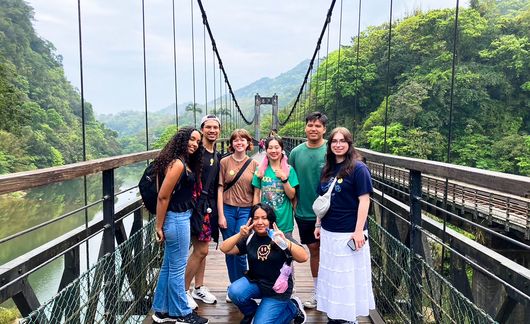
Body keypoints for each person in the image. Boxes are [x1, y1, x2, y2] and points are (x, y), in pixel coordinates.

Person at [314, 127, 375, 323]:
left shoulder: (358, 168)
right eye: (334, 141)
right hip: (329, 232)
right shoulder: (327, 169)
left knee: (347, 279)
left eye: (343, 141)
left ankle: (348, 318)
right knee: (333, 277)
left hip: (349, 233)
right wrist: (317, 225)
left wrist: (359, 231)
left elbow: (364, 201)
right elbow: (322, 198)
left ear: (349, 144)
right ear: (329, 145)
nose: (338, 145)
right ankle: (335, 316)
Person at [151, 126, 209, 324]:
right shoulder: (177, 164)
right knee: (177, 267)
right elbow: (163, 196)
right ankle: (181, 313)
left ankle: (161, 310)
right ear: (181, 140)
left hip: (178, 217)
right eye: (191, 139)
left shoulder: (180, 161)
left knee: (169, 266)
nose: (194, 144)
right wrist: (159, 226)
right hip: (176, 219)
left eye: (197, 142)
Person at [220, 203, 308, 324]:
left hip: (277, 291)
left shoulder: (280, 236)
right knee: (234, 291)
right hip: (256, 283)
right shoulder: (250, 238)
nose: (260, 222)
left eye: (264, 218)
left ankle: (292, 308)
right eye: (256, 218)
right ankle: (252, 313)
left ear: (271, 220)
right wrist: (240, 234)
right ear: (251, 220)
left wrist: (285, 242)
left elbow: (303, 257)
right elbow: (225, 248)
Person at [288, 111, 328, 309]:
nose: (313, 129)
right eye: (310, 125)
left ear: (324, 129)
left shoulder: (332, 150)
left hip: (329, 212)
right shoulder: (295, 153)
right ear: (305, 127)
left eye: (318, 126)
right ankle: (317, 292)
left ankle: (329, 292)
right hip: (304, 212)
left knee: (330, 251)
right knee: (314, 250)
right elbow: (291, 180)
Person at [184, 115, 221, 310]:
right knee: (201, 250)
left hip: (208, 207)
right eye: (208, 127)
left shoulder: (216, 154)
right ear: (202, 129)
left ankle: (198, 287)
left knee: (203, 250)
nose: (212, 130)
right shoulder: (195, 153)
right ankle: (183, 291)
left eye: (216, 127)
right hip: (194, 207)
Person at [217, 129, 259, 301]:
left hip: (245, 210)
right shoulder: (224, 162)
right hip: (227, 208)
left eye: (243, 140)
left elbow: (257, 190)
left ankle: (240, 289)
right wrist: (220, 215)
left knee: (241, 250)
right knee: (229, 250)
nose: (239, 142)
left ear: (248, 143)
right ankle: (233, 287)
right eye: (236, 140)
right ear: (231, 143)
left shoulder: (255, 164)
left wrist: (256, 215)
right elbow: (219, 189)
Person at [252, 135, 299, 239]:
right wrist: (254, 216)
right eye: (270, 148)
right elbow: (256, 194)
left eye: (277, 147)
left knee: (285, 252)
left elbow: (292, 195)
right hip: (265, 221)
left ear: (282, 149)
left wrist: (284, 179)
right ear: (266, 149)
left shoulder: (289, 170)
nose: (274, 151)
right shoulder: (260, 171)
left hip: (284, 221)